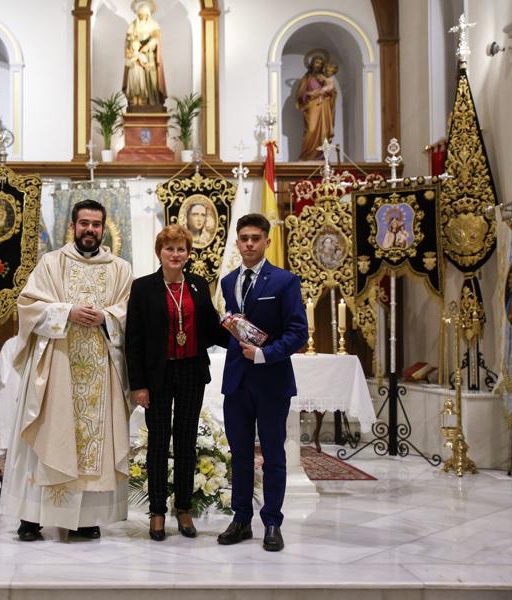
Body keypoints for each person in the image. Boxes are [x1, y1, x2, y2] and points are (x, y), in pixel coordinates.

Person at [2, 199, 133, 542]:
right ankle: (32, 518)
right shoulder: (51, 263)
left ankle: (84, 517)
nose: (90, 229)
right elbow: (28, 306)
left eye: (96, 224)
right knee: (50, 433)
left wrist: (107, 317)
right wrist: (66, 312)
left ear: (104, 228)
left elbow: (128, 310)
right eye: (84, 223)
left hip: (100, 371)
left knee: (92, 442)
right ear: (73, 226)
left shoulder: (120, 268)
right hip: (57, 365)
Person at [125, 225, 228, 541]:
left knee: (186, 441)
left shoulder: (198, 285)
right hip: (157, 376)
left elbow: (212, 329)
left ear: (188, 253)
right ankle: (157, 511)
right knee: (157, 442)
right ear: (160, 252)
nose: (175, 254)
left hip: (191, 371)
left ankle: (183, 508)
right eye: (169, 249)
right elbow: (134, 339)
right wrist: (138, 384)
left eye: (181, 249)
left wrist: (242, 337)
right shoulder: (143, 287)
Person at [217, 213, 308, 551]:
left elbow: (299, 333)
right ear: (238, 242)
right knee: (239, 454)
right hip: (237, 382)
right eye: (244, 238)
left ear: (267, 241)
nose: (250, 244)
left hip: (271, 381)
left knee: (272, 455)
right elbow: (234, 325)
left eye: (256, 238)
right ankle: (241, 519)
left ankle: (272, 522)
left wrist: (265, 353)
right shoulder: (228, 282)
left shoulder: (284, 281)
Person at [122, 0, 167, 110]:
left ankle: (153, 101)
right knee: (137, 80)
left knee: (152, 79)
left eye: (144, 15)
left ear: (148, 14)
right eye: (140, 15)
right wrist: (133, 46)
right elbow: (128, 42)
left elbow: (156, 39)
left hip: (149, 55)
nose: (142, 17)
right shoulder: (133, 25)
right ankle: (139, 101)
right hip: (136, 56)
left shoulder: (154, 25)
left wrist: (147, 46)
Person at [295, 52, 334, 160]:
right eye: (316, 62)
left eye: (321, 63)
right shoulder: (306, 78)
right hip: (312, 106)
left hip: (323, 107)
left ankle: (321, 157)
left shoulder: (324, 77)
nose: (318, 65)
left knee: (324, 132)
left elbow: (332, 92)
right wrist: (308, 94)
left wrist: (327, 93)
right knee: (311, 130)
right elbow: (301, 93)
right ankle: (307, 156)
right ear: (312, 63)